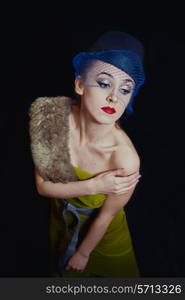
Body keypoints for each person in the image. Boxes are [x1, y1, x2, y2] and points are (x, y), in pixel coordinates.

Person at [29, 31, 145, 277]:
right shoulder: (52, 120)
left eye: (125, 90)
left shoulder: (124, 158)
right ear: (79, 84)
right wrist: (96, 185)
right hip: (61, 224)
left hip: (102, 240)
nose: (114, 97)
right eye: (104, 83)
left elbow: (107, 215)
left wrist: (82, 253)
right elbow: (42, 186)